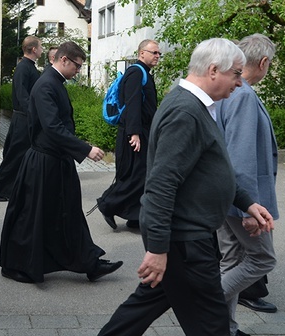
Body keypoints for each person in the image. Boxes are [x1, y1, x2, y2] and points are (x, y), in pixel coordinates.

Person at [97, 38, 275, 336]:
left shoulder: (196, 105)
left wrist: (247, 202)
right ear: (214, 70)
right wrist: (156, 249)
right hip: (185, 242)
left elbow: (209, 170)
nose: (240, 83)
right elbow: (160, 186)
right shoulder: (185, 111)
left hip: (186, 240)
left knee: (141, 309)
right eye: (236, 74)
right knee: (212, 325)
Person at [0, 41, 122, 284]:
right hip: (44, 163)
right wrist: (85, 149)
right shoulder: (46, 85)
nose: (78, 71)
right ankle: (18, 265)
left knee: (68, 214)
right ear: (64, 60)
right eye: (77, 66)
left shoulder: (53, 82)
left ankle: (89, 262)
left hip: (56, 161)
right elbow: (53, 128)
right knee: (32, 217)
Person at [217, 34, 279, 335]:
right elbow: (240, 154)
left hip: (225, 196)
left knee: (231, 259)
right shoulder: (243, 95)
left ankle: (223, 328)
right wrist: (249, 208)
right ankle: (205, 301)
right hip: (240, 200)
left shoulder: (232, 91)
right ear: (264, 63)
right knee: (263, 258)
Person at [96, 39, 160, 230]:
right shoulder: (135, 73)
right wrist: (134, 133)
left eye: (158, 53)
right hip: (134, 134)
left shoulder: (144, 73)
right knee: (137, 175)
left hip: (142, 131)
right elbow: (132, 104)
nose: (157, 56)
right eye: (154, 52)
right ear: (142, 54)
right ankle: (107, 204)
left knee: (143, 174)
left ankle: (135, 217)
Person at [0, 36, 42, 201]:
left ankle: (13, 188)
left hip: (25, 118)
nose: (42, 50)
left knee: (20, 155)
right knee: (15, 155)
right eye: (40, 47)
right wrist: (33, 113)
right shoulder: (23, 68)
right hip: (23, 119)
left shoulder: (29, 67)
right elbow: (22, 95)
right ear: (33, 49)